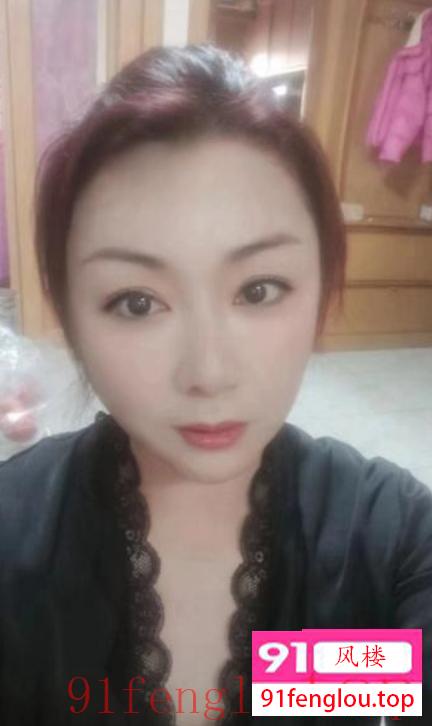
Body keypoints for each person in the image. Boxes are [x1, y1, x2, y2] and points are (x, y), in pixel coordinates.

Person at [0, 43, 431, 726]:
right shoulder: (13, 539)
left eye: (259, 290)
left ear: (323, 287)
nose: (209, 373)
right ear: (72, 317)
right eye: (137, 302)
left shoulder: (390, 539)